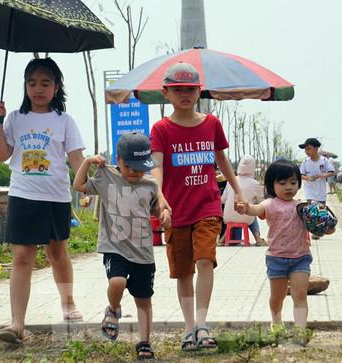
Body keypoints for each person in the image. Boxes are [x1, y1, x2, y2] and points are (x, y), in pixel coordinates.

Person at [149, 62, 243, 352]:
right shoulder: (161, 129)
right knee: (183, 271)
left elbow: (222, 160)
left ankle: (202, 324)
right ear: (166, 93)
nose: (185, 95)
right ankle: (189, 328)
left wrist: (237, 189)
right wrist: (160, 198)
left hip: (207, 205)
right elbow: (157, 166)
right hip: (176, 210)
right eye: (178, 90)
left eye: (190, 89)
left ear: (199, 91)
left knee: (205, 260)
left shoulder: (212, 124)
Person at [0, 58, 85, 344]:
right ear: (25, 86)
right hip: (22, 195)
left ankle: (68, 303)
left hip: (55, 196)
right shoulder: (15, 118)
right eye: (32, 83)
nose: (38, 89)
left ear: (56, 87)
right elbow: (1, 154)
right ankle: (17, 323)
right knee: (21, 258)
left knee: (57, 254)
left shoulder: (65, 121)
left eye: (45, 83)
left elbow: (77, 160)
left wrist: (88, 187)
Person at [73, 132, 161, 360]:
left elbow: (158, 208)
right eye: (130, 167)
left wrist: (165, 213)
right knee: (117, 281)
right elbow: (79, 185)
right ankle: (113, 309)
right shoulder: (106, 177)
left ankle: (144, 342)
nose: (135, 172)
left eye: (140, 167)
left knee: (144, 299)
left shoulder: (150, 184)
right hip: (115, 246)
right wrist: (87, 162)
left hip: (143, 252)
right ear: (118, 161)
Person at [235, 160, 311, 343]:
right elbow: (255, 209)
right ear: (272, 185)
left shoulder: (303, 206)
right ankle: (276, 321)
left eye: (293, 182)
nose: (288, 187)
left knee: (299, 294)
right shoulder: (270, 204)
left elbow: (321, 226)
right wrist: (246, 208)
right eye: (282, 183)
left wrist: (328, 227)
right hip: (276, 258)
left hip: (301, 257)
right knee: (277, 297)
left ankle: (300, 331)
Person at [220, 155, 266, 246]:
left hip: (228, 216)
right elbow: (262, 202)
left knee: (233, 218)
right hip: (246, 216)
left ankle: (222, 240)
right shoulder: (255, 183)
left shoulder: (231, 181)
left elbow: (223, 200)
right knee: (252, 213)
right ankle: (258, 239)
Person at [298, 138, 334, 239]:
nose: (307, 151)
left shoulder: (324, 161)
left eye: (309, 149)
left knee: (321, 211)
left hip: (321, 190)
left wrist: (321, 176)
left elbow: (332, 172)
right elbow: (301, 175)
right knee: (311, 210)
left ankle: (319, 231)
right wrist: (308, 178)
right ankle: (312, 231)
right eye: (305, 149)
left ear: (316, 148)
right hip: (310, 190)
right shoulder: (305, 162)